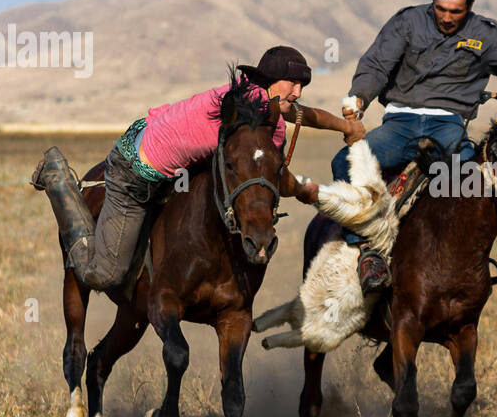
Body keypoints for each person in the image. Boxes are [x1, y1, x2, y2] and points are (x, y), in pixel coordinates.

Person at [30, 46, 360, 291]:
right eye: (293, 83)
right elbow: (271, 173)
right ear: (271, 82)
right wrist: (306, 191)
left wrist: (344, 128)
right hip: (136, 172)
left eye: (304, 85)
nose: (299, 92)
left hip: (165, 158)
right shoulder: (251, 116)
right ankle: (58, 180)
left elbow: (302, 114)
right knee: (105, 275)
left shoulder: (260, 102)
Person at [331, 0, 497, 292]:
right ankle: (363, 251)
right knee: (344, 163)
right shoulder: (407, 22)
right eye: (440, 8)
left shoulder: (485, 33)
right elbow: (376, 64)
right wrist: (359, 97)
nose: (446, 17)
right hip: (400, 121)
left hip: (449, 125)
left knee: (480, 181)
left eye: (455, 11)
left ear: (470, 6)